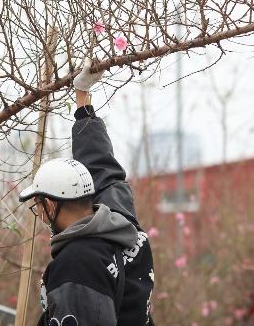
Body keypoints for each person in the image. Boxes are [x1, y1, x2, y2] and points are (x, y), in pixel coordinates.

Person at [19, 60, 154, 326]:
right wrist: (82, 97)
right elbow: (102, 167)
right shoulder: (120, 225)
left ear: (50, 203)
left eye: (38, 205)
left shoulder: (76, 265)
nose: (40, 214)